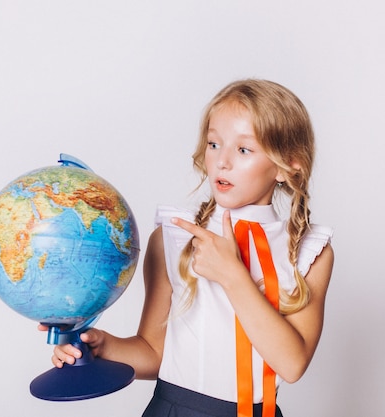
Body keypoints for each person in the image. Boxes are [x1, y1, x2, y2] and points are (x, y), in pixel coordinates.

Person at [45, 79, 334, 417]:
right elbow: (153, 352)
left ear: (288, 165)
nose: (222, 162)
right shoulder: (174, 237)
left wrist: (233, 276)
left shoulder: (308, 250)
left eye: (243, 149)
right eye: (214, 144)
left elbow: (292, 365)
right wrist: (103, 346)